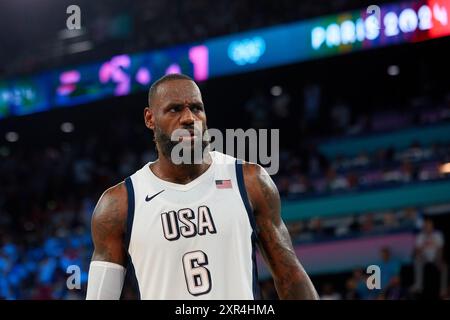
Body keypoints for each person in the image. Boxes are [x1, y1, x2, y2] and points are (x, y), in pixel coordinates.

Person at [86, 73, 318, 300]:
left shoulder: (249, 180)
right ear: (150, 118)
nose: (189, 118)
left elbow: (290, 276)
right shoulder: (119, 204)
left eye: (196, 108)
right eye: (175, 109)